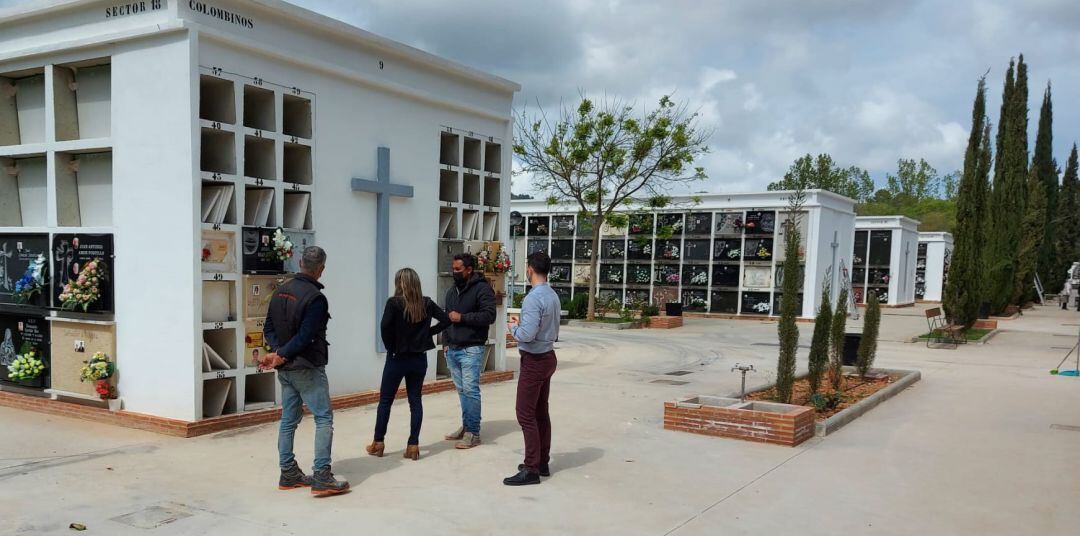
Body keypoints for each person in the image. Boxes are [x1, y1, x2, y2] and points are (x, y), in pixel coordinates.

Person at [261, 246, 349, 497]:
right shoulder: (315, 298)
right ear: (321, 269)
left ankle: (288, 473)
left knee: (288, 421)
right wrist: (282, 354)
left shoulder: (280, 290)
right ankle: (322, 476)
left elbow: (268, 327)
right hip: (306, 367)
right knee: (323, 419)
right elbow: (306, 337)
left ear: (300, 262)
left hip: (286, 368)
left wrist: (278, 354)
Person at [367, 268, 451, 460]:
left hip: (397, 358)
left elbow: (385, 329)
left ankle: (378, 442)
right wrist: (427, 334)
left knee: (386, 401)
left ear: (400, 283)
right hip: (418, 358)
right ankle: (413, 445)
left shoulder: (393, 303)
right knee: (415, 401)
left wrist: (392, 346)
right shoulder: (427, 303)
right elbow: (446, 320)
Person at [504, 251, 560, 486]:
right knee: (540, 412)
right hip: (547, 355)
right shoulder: (553, 295)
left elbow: (527, 334)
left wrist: (513, 328)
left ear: (529, 269)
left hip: (535, 360)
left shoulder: (533, 298)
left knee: (525, 413)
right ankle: (541, 460)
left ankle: (531, 468)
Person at [442, 253, 497, 449]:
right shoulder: (451, 292)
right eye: (453, 269)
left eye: (458, 269)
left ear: (469, 270)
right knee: (462, 390)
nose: (454, 272)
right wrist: (445, 343)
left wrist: (463, 318)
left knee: (471, 390)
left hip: (472, 348)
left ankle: (473, 432)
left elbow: (490, 315)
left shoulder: (482, 289)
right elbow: (447, 319)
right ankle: (466, 427)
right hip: (453, 350)